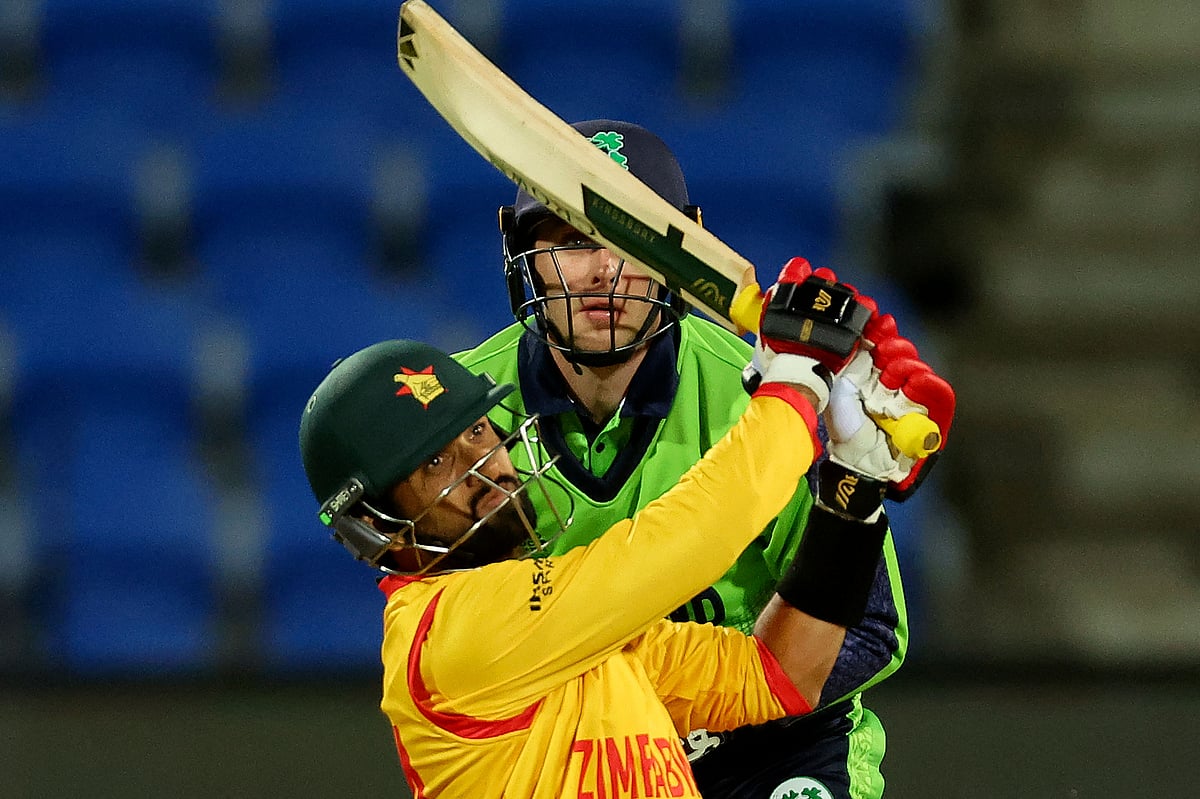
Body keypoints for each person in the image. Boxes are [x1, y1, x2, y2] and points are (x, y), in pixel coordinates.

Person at [455, 119, 956, 798]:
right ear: (523, 254)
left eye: (633, 238)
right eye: (572, 239)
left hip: (770, 747)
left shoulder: (772, 394)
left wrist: (852, 481)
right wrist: (627, 729)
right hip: (568, 754)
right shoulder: (461, 417)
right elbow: (447, 644)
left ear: (684, 256)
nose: (605, 270)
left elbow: (870, 632)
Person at [297, 265, 929, 798]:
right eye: (436, 462)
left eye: (477, 431)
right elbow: (690, 538)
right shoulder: (452, 638)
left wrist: (852, 490)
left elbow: (781, 673)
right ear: (378, 526)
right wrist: (794, 388)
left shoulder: (573, 640)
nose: (482, 464)